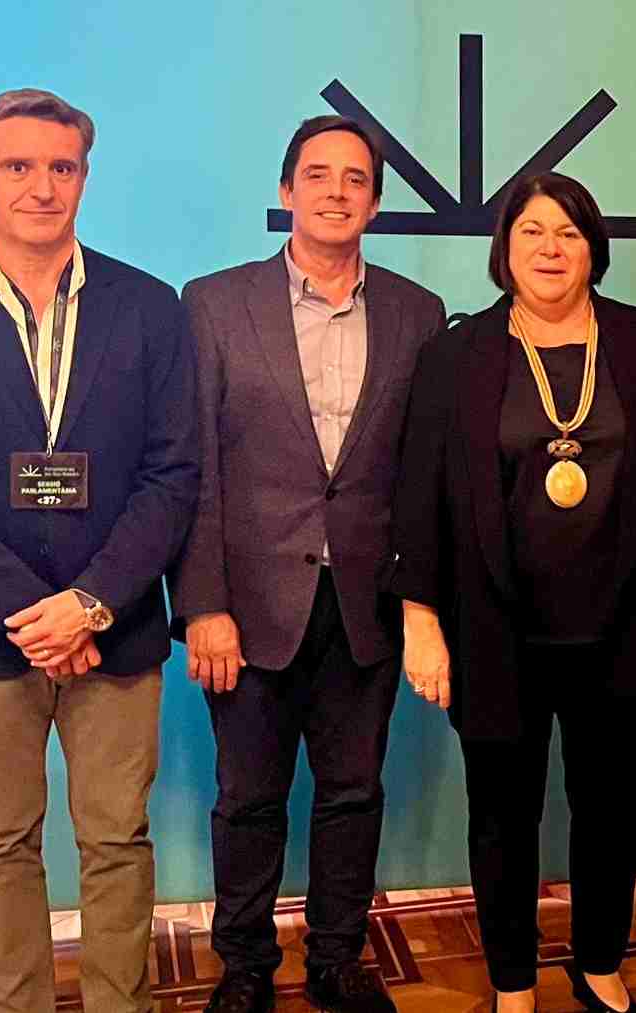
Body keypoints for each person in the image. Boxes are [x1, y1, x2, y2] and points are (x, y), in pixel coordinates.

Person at [0, 88, 198, 1013]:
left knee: (117, 840)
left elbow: (174, 473)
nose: (42, 187)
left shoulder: (148, 306)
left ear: (85, 178)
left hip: (115, 626)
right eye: (18, 166)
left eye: (62, 167)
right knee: (2, 841)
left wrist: (90, 603)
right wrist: (35, 614)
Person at [387, 173, 636, 1013]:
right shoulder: (458, 352)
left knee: (609, 811)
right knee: (502, 815)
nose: (551, 248)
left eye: (567, 232)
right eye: (532, 232)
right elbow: (419, 491)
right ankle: (513, 982)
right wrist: (420, 618)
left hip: (617, 622)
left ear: (595, 245)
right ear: (504, 249)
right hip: (493, 629)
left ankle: (599, 963)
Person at [170, 116, 446, 1013]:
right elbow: (195, 465)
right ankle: (245, 965)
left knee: (353, 793)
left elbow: (418, 474)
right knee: (247, 798)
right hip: (246, 609)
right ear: (286, 191)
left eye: (355, 178)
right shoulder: (213, 304)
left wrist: (416, 604)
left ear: (375, 200)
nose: (336, 191)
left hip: (362, 602)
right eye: (317, 175)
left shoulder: (415, 313)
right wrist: (202, 602)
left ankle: (336, 958)